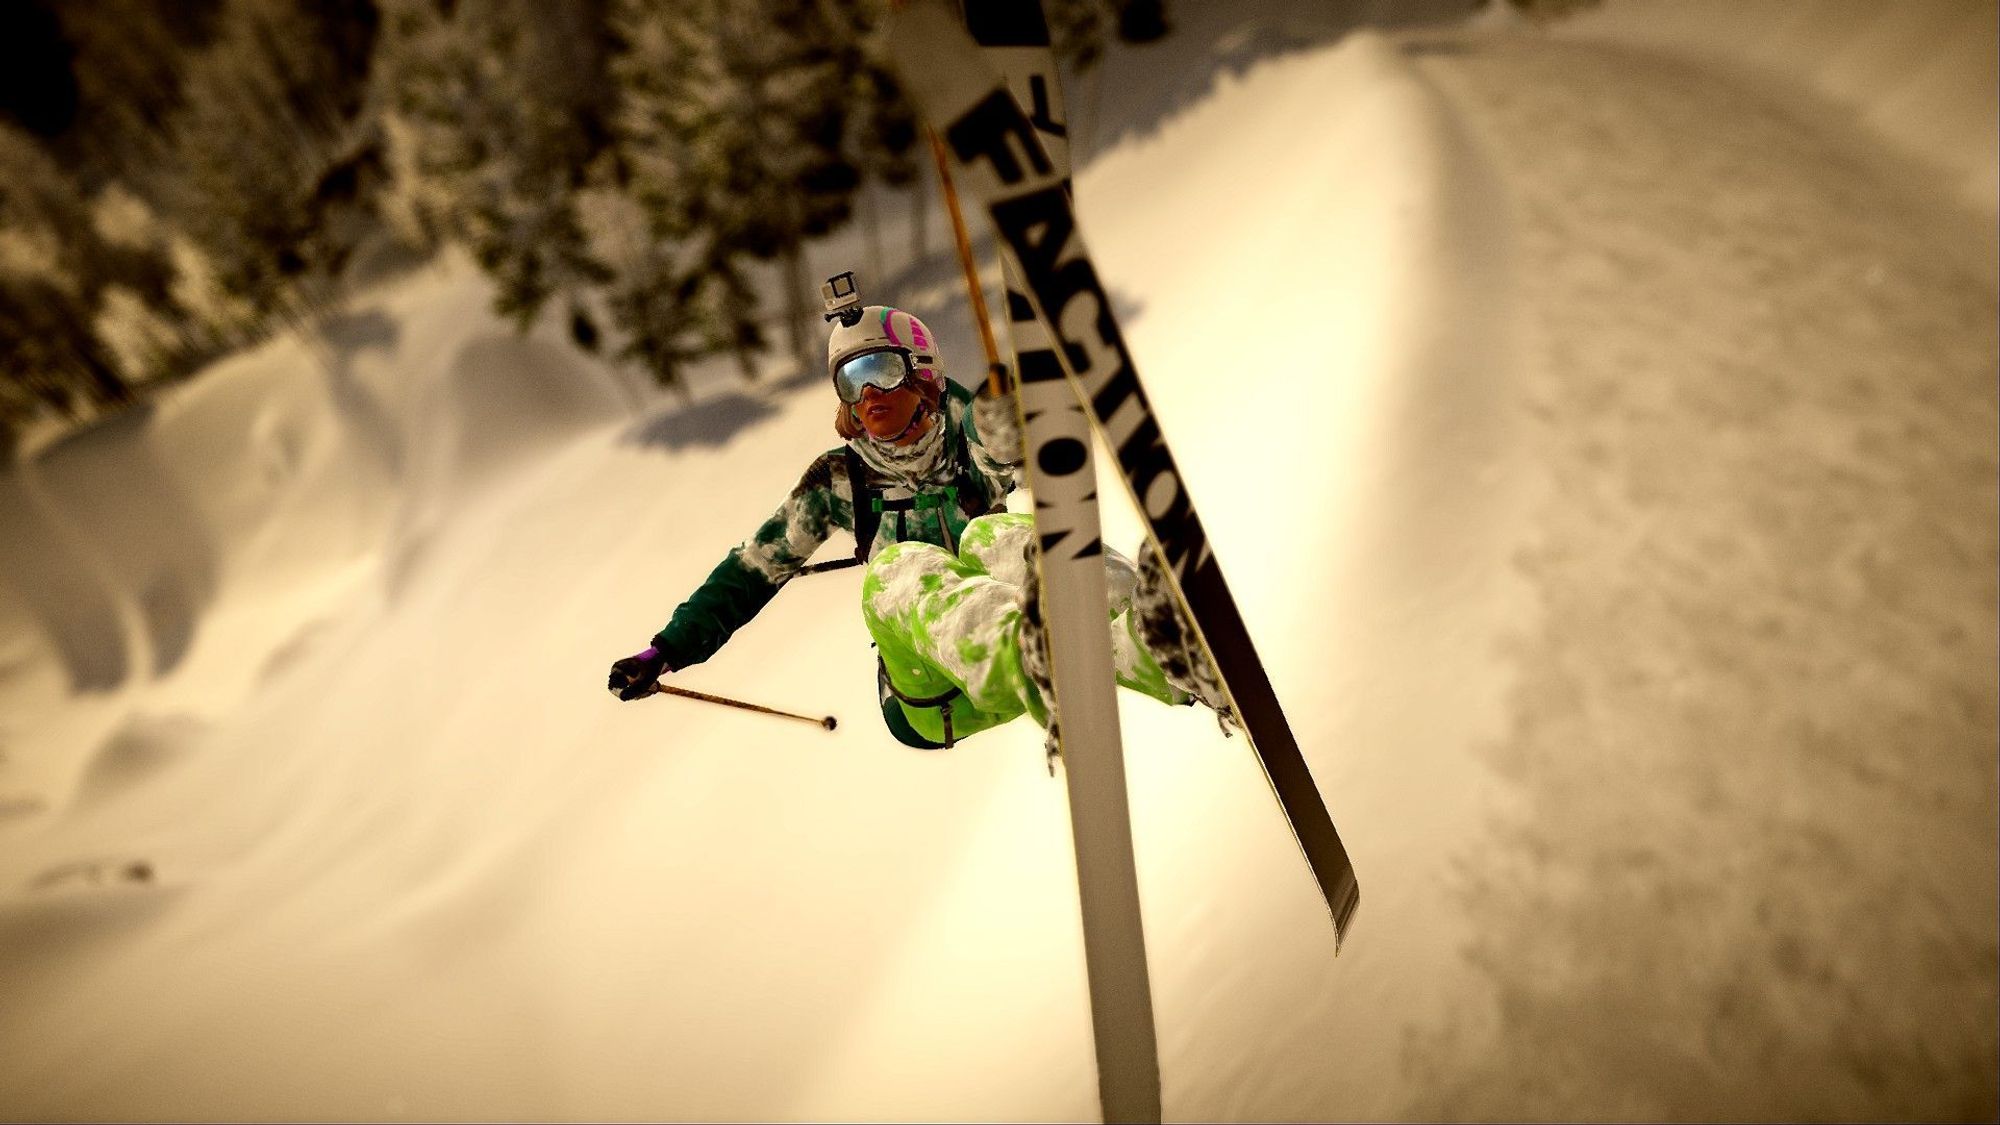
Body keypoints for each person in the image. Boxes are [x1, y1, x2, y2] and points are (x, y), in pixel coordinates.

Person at [606, 284, 1228, 750]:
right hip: (929, 697)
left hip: (1017, 640)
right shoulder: (836, 480)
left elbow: (1012, 455)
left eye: (880, 369)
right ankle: (1031, 657)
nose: (868, 395)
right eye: (851, 380)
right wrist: (663, 652)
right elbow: (751, 570)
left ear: (922, 372)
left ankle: (1160, 649)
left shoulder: (965, 436)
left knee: (998, 533)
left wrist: (1017, 427)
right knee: (901, 564)